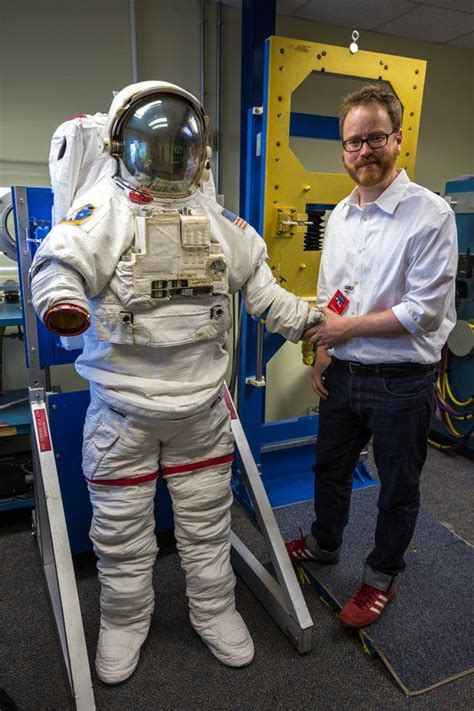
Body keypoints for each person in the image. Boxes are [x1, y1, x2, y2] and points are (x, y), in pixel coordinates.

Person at [29, 80, 321, 684]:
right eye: (153, 147)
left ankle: (213, 610)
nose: (166, 162)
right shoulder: (103, 211)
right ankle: (124, 622)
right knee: (121, 532)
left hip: (199, 411)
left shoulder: (217, 219)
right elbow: (58, 265)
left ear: (198, 154)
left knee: (207, 522)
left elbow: (263, 292)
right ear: (121, 145)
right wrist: (62, 302)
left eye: (177, 150)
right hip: (123, 411)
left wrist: (313, 324)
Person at [286, 84, 457, 628]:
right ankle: (324, 542)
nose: (364, 151)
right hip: (344, 373)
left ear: (398, 139)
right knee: (329, 470)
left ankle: (380, 578)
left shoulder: (430, 216)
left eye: (375, 138)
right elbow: (335, 291)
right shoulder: (339, 215)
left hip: (400, 382)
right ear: (343, 149)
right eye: (353, 142)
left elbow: (423, 312)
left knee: (397, 488)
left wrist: (339, 330)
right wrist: (322, 350)